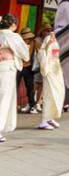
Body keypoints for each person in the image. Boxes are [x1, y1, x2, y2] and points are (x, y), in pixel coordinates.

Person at [0, 13, 29, 143]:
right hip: (6, 68)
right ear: (13, 25)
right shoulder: (13, 36)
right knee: (4, 98)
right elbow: (25, 55)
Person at [36, 26, 65, 131]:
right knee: (49, 94)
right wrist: (48, 44)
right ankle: (44, 120)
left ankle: (50, 117)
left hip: (56, 69)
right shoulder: (49, 38)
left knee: (58, 94)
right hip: (50, 70)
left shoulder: (58, 39)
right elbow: (42, 52)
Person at [17, 27, 37, 113]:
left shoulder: (34, 43)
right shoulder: (18, 44)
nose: (26, 40)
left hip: (29, 67)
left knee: (30, 87)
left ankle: (32, 106)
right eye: (24, 38)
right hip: (18, 66)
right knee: (14, 86)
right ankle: (13, 105)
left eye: (28, 38)